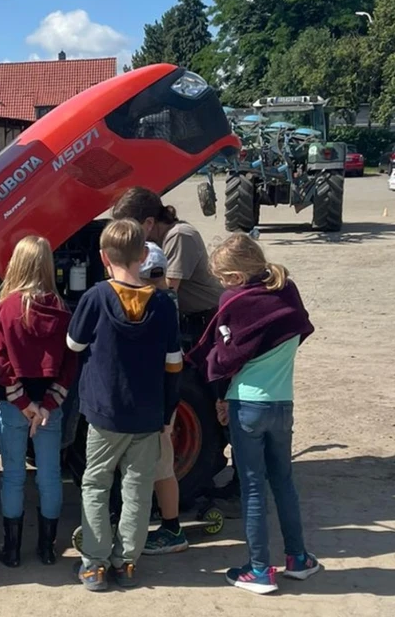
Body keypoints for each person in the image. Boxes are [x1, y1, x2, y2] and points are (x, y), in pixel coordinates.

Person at [187, 233, 321, 594]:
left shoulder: (236, 301)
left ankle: (260, 570)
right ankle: (298, 558)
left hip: (246, 404)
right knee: (283, 482)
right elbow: (298, 330)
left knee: (252, 488)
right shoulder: (287, 291)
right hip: (282, 403)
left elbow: (223, 357)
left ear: (235, 276)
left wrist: (218, 395)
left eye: (222, 278)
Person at [111, 187, 229, 557]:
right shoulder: (167, 237)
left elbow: (165, 291)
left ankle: (238, 479)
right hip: (188, 321)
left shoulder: (180, 236)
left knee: (219, 396)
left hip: (204, 323)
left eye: (133, 230)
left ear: (148, 222)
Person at [67, 220, 181, 591]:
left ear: (103, 257)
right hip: (147, 412)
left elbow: (74, 345)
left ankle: (94, 564)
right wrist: (167, 414)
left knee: (96, 484)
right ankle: (127, 561)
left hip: (104, 411)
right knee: (137, 487)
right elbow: (174, 363)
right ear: (144, 256)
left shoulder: (95, 297)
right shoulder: (163, 303)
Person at [0, 236, 77, 567]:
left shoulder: (3, 310)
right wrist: (47, 405)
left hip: (15, 405)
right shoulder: (61, 310)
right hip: (49, 406)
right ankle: (47, 549)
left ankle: (11, 550)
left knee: (12, 475)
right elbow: (69, 364)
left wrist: (23, 402)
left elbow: (1, 362)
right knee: (49, 476)